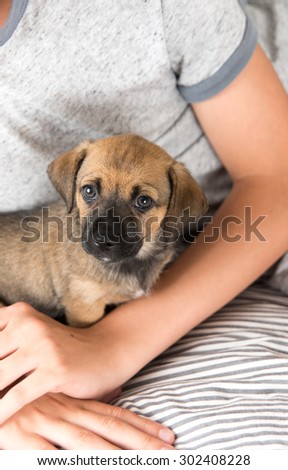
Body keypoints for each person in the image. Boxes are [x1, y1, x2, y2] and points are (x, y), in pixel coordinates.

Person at [0, 0, 288, 450]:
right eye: (91, 193)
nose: (111, 226)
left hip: (222, 269)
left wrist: (111, 347)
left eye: (141, 202)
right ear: (72, 186)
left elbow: (277, 178)